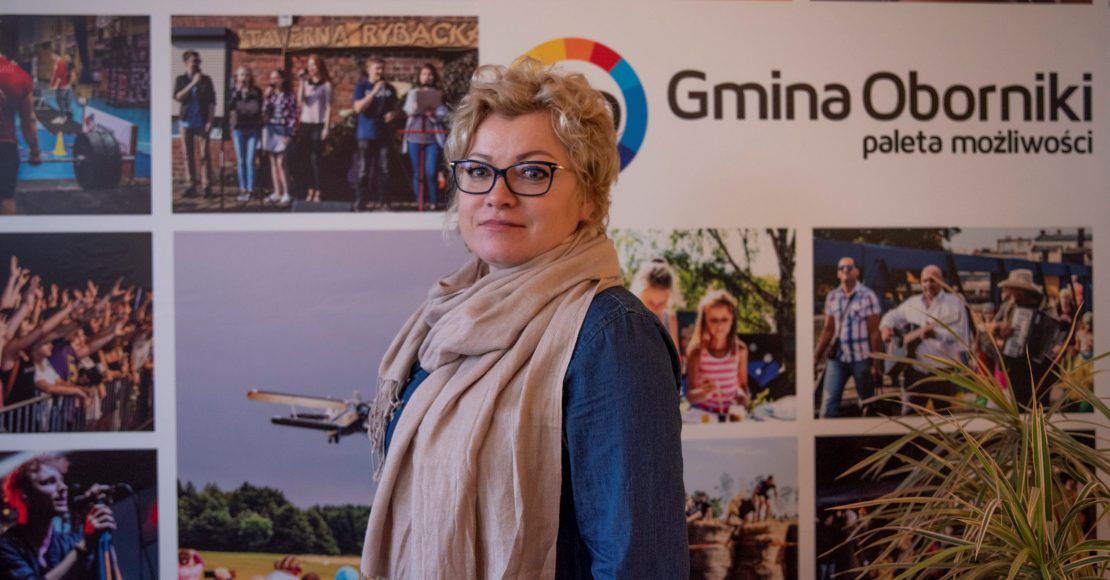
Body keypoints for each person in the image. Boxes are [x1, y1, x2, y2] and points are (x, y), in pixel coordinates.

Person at [361, 58, 687, 579]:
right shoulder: (443, 322)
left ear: (588, 197)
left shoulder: (612, 335)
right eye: (478, 170)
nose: (498, 196)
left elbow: (639, 566)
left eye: (532, 172)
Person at [0, 454, 117, 579]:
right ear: (23, 494)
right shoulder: (6, 546)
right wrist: (85, 545)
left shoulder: (69, 543)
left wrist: (98, 528)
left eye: (61, 480)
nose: (63, 487)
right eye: (48, 482)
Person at [879, 265, 971, 413]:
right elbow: (891, 315)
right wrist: (885, 327)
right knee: (909, 418)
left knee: (944, 418)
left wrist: (936, 334)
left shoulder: (954, 303)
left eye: (933, 280)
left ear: (942, 281)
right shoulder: (912, 303)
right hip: (915, 372)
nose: (928, 284)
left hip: (941, 374)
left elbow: (959, 335)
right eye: (925, 281)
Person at [814, 257, 883, 418]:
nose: (845, 270)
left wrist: (876, 364)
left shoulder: (868, 296)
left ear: (857, 272)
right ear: (838, 274)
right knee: (828, 408)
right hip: (838, 359)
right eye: (841, 268)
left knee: (867, 404)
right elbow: (828, 329)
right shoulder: (832, 297)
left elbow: (874, 332)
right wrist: (815, 358)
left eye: (849, 267)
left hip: (861, 359)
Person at [988, 269, 1057, 407]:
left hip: (1041, 369)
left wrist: (1056, 346)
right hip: (1016, 366)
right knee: (1019, 406)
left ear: (1022, 291)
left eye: (1014, 289)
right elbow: (990, 328)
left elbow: (1055, 335)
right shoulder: (1008, 306)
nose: (1011, 293)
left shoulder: (1046, 309)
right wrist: (998, 328)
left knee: (1040, 407)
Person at [685, 289, 749, 422]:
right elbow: (690, 396)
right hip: (704, 416)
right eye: (713, 320)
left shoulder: (740, 350)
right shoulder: (697, 352)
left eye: (725, 319)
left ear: (732, 320)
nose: (720, 325)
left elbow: (743, 386)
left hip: (731, 415)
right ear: (705, 321)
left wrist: (743, 397)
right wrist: (704, 392)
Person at [352, 57, 398, 211]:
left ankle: (385, 202)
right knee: (364, 169)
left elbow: (395, 108)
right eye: (377, 68)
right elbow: (358, 108)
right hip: (366, 133)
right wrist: (374, 92)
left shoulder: (389, 88)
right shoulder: (362, 86)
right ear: (368, 70)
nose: (380, 71)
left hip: (384, 133)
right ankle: (361, 201)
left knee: (385, 168)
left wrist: (392, 114)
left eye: (382, 68)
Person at [0, 52, 41, 215]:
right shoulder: (20, 76)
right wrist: (35, 152)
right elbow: (28, 122)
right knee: (6, 200)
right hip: (5, 148)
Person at [402, 63, 445, 209]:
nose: (427, 77)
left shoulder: (438, 93)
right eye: (424, 74)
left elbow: (443, 112)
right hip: (414, 137)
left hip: (432, 138)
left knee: (431, 172)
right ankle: (420, 201)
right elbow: (407, 109)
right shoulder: (413, 92)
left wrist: (434, 114)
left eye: (430, 74)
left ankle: (433, 201)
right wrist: (415, 106)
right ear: (419, 77)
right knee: (417, 173)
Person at [174, 51, 217, 198]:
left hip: (202, 122)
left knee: (205, 154)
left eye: (199, 61)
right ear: (186, 63)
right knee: (188, 155)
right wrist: (193, 83)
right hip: (186, 122)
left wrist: (210, 120)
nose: (197, 64)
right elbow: (178, 96)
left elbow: (212, 102)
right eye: (194, 61)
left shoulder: (206, 80)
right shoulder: (181, 79)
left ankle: (206, 187)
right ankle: (190, 186)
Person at [296, 55, 332, 203]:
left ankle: (319, 189)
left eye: (314, 65)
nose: (311, 68)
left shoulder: (326, 84)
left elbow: (329, 107)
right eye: (309, 65)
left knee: (316, 159)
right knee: (305, 159)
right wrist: (301, 82)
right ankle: (309, 188)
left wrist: (326, 127)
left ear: (319, 66)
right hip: (305, 124)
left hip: (318, 124)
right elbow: (300, 101)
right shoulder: (306, 83)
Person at [262, 69, 296, 207]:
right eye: (272, 78)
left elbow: (293, 116)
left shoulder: (289, 96)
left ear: (282, 79)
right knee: (273, 162)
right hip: (271, 129)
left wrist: (290, 134)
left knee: (281, 162)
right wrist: (266, 98)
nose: (274, 81)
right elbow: (264, 114)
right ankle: (277, 191)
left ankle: (287, 192)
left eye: (276, 78)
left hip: (283, 129)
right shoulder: (270, 96)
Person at [630, 258, 682, 348]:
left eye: (661, 303)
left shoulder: (670, 320)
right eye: (650, 303)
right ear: (638, 296)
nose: (655, 309)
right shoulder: (629, 320)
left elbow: (675, 354)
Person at [229, 66, 263, 202]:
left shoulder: (256, 92)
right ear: (237, 77)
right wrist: (237, 93)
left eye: (246, 75)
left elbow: (257, 109)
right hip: (239, 130)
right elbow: (230, 106)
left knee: (250, 161)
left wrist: (245, 107)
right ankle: (243, 189)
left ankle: (251, 189)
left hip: (252, 129)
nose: (244, 77)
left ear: (250, 77)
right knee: (241, 160)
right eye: (241, 75)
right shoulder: (234, 92)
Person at [49, 53, 72, 122]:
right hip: (60, 85)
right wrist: (52, 84)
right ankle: (63, 116)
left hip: (61, 86)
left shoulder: (60, 62)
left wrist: (56, 85)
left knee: (60, 101)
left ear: (55, 55)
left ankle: (62, 117)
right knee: (60, 101)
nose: (51, 58)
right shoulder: (57, 62)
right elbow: (55, 74)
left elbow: (60, 75)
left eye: (52, 56)